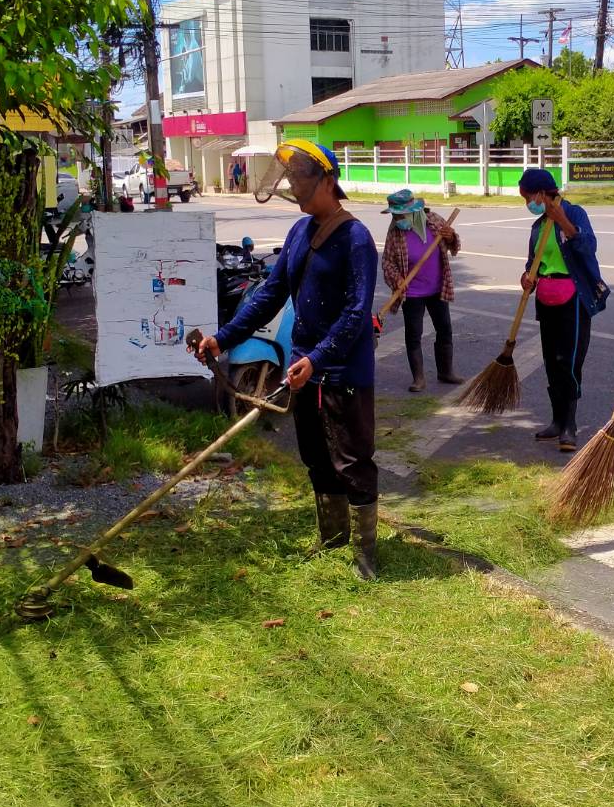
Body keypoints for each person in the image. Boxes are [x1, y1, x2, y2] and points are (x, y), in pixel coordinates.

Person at [194, 139, 381, 578]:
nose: (293, 186)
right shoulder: (299, 233)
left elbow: (356, 313)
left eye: (300, 178)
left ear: (328, 181)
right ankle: (332, 537)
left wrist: (317, 359)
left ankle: (364, 553)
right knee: (316, 455)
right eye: (291, 178)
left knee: (352, 459)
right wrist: (223, 339)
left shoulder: (356, 240)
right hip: (305, 368)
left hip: (343, 370)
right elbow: (270, 295)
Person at [518, 167, 609, 453]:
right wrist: (527, 278)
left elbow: (589, 248)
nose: (527, 204)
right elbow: (533, 262)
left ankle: (570, 425)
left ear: (543, 194)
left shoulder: (575, 213)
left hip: (574, 298)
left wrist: (565, 224)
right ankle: (556, 421)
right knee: (551, 360)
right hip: (546, 297)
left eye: (528, 197)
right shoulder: (538, 226)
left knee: (569, 362)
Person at [380, 187, 462, 393]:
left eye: (401, 214)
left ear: (414, 210)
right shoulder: (395, 230)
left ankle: (446, 372)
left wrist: (451, 237)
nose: (398, 218)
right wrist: (397, 279)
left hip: (436, 288)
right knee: (413, 334)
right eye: (395, 215)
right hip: (412, 292)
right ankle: (418, 378)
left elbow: (454, 245)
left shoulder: (434, 221)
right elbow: (388, 262)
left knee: (444, 329)